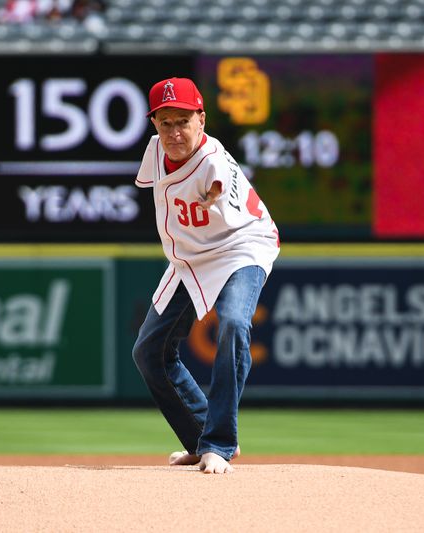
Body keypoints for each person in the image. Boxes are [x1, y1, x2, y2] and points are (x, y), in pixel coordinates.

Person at [131, 77, 280, 475]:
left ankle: (220, 442)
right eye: (165, 122)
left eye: (183, 120)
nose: (174, 132)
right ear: (155, 125)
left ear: (202, 119)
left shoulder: (213, 160)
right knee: (149, 352)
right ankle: (200, 438)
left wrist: (212, 192)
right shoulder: (156, 151)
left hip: (240, 245)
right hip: (193, 255)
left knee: (232, 323)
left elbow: (220, 181)